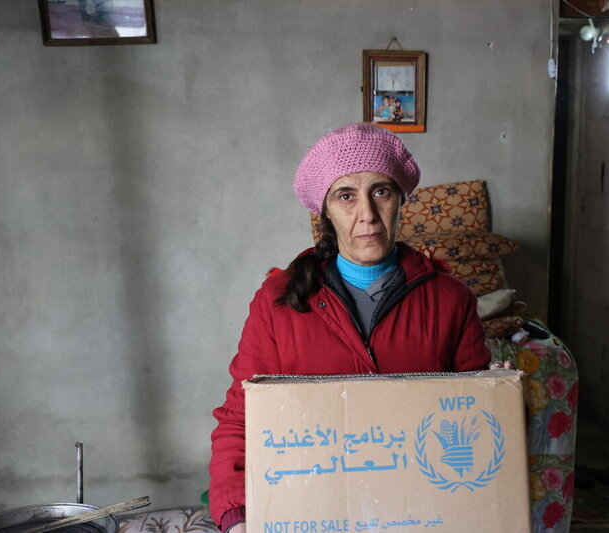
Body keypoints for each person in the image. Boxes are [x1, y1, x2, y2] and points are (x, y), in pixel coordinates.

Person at [208, 123, 502, 533]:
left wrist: (501, 396)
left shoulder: (451, 300)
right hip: (311, 510)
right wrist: (237, 514)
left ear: (401, 199)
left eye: (380, 191)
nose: (367, 214)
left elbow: (480, 422)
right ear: (325, 211)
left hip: (417, 511)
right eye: (346, 196)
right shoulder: (278, 302)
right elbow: (240, 417)